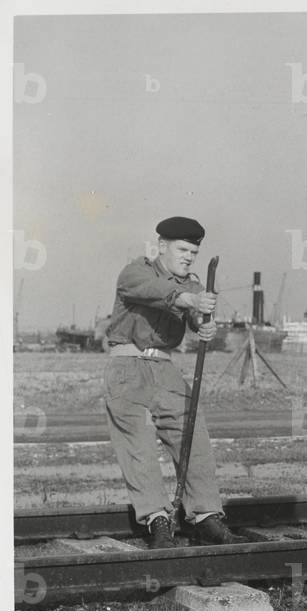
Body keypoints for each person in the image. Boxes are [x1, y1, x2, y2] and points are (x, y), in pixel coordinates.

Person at [104, 216, 243, 549]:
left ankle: (206, 516)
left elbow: (195, 315)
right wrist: (192, 302)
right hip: (128, 367)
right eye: (182, 249)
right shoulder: (135, 272)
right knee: (138, 447)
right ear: (161, 246)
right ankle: (158, 521)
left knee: (193, 435)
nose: (188, 257)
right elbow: (159, 293)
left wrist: (203, 324)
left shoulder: (193, 285)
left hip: (166, 368)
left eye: (194, 252)